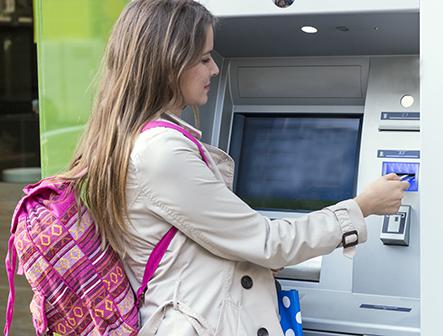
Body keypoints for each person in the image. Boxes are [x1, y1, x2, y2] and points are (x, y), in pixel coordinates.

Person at [61, 0, 409, 335]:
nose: (214, 68)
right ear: (170, 65)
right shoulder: (161, 152)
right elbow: (270, 241)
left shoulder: (135, 140)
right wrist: (364, 206)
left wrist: (256, 255)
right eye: (203, 58)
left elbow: (207, 247)